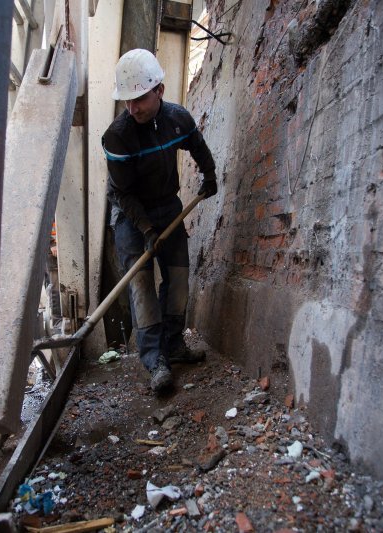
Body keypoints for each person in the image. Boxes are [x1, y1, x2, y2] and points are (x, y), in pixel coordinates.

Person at [102, 49, 217, 393]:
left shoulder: (177, 119)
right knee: (141, 288)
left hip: (168, 205)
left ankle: (173, 345)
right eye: (127, 101)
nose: (133, 107)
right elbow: (122, 194)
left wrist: (209, 175)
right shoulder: (118, 137)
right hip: (130, 215)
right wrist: (147, 231)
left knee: (179, 279)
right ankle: (154, 361)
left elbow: (197, 144)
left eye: (139, 98)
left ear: (159, 91)